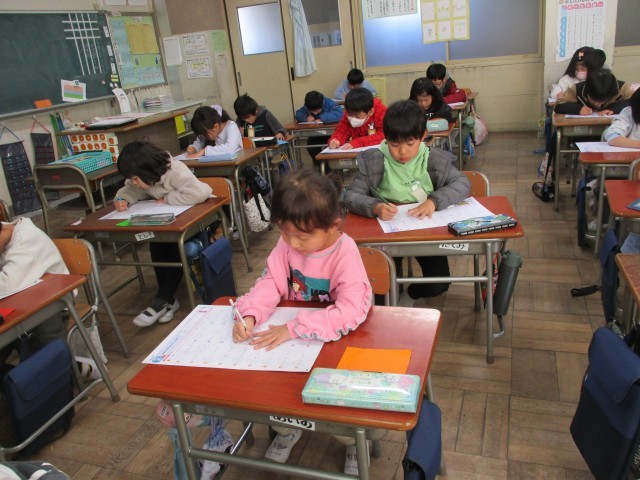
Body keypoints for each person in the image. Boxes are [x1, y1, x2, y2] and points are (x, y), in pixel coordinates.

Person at [233, 170, 372, 475]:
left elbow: (351, 310)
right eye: (284, 233)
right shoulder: (289, 243)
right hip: (294, 347)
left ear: (333, 225)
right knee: (277, 392)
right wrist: (251, 314)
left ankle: (352, 441)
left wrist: (295, 327)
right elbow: (270, 282)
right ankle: (286, 431)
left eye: (302, 237)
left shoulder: (344, 252)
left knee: (335, 401)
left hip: (336, 342)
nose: (292, 243)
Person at [344, 100, 471, 299]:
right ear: (386, 138)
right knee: (382, 289)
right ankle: (393, 297)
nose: (402, 151)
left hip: (425, 230)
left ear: (423, 136)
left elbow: (462, 183)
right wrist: (375, 206)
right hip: (387, 233)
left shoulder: (434, 159)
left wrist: (433, 201)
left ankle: (410, 294)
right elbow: (351, 195)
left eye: (410, 143)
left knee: (438, 284)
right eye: (394, 144)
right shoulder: (374, 160)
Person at [114, 141, 212, 327]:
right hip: (168, 224)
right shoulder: (143, 179)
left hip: (198, 222)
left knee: (175, 246)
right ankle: (168, 300)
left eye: (135, 179)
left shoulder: (175, 171)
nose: (134, 183)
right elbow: (127, 191)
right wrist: (121, 200)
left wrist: (167, 198)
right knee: (156, 243)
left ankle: (162, 299)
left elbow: (200, 193)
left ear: (147, 170)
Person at [0, 217, 69, 364]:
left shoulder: (25, 241)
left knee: (48, 361)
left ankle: (69, 368)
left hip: (53, 306)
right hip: (18, 306)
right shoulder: (6, 234)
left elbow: (7, 284)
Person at [554, 68, 634, 116]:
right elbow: (559, 105)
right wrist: (578, 109)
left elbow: (636, 101)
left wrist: (614, 109)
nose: (598, 104)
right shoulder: (576, 89)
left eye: (603, 101)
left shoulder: (623, 89)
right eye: (593, 100)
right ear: (587, 91)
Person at [294, 90, 343, 162]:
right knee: (311, 147)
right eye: (312, 111)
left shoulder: (329, 103)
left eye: (317, 111)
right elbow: (298, 113)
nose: (315, 113)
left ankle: (330, 164)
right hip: (317, 132)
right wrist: (306, 118)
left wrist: (322, 118)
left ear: (322, 103)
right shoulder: (308, 105)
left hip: (331, 132)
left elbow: (340, 114)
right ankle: (320, 164)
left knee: (331, 146)